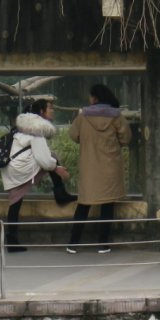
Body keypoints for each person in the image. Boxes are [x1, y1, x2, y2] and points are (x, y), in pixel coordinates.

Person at [1, 98, 75, 253]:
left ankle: (12, 240)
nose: (53, 111)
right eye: (50, 108)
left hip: (12, 167)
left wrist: (53, 166)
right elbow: (44, 160)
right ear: (41, 111)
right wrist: (57, 169)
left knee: (15, 203)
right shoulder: (37, 128)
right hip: (20, 168)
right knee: (51, 158)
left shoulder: (25, 125)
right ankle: (60, 193)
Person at [66, 83, 132, 255]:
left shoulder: (83, 116)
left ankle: (73, 244)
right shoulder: (116, 116)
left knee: (83, 204)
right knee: (107, 205)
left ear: (95, 98)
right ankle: (103, 244)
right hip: (110, 167)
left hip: (89, 166)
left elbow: (73, 135)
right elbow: (126, 138)